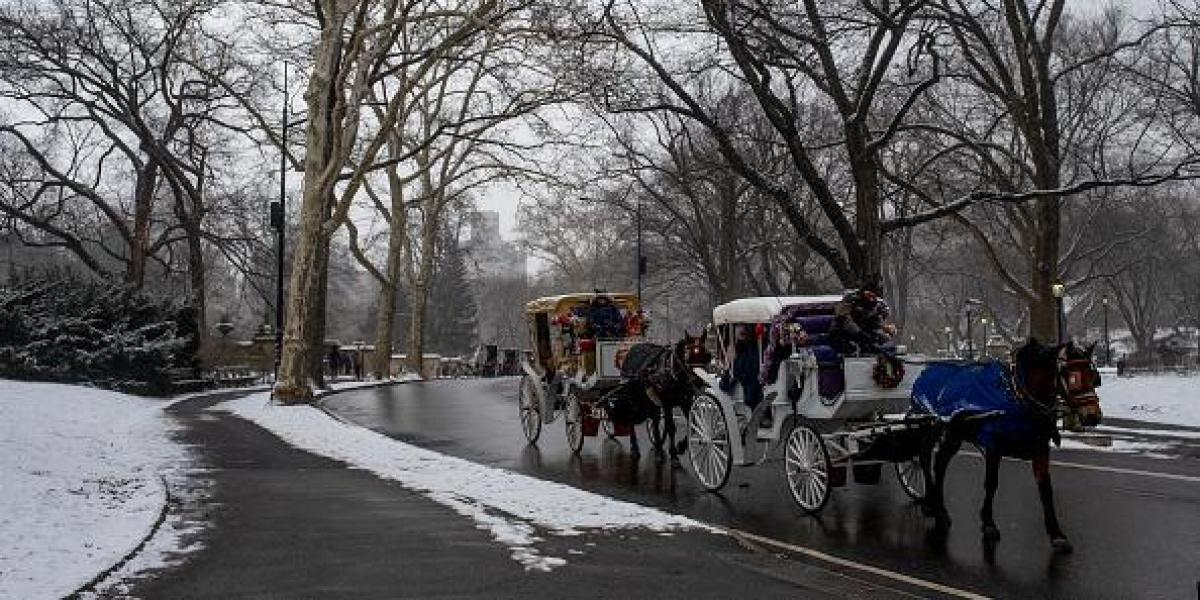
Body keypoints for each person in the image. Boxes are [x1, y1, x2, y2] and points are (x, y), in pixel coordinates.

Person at [828, 286, 896, 355]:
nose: (871, 297)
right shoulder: (851, 299)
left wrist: (885, 329)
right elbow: (844, 318)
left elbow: (876, 322)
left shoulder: (876, 304)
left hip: (864, 333)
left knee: (883, 340)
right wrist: (860, 333)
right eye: (869, 294)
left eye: (873, 296)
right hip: (843, 334)